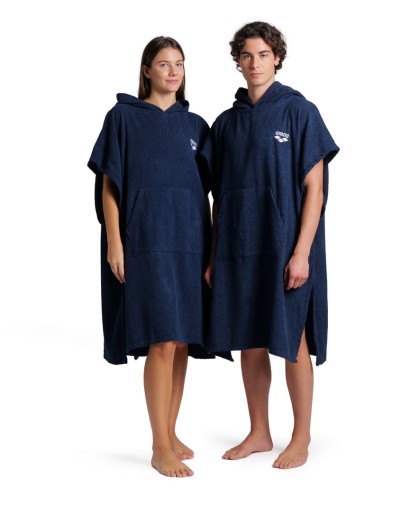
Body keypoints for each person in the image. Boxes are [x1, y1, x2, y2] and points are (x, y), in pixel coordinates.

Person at [87, 36, 231, 478]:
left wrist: (213, 253)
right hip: (146, 242)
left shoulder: (197, 127)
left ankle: (170, 431)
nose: (173, 71)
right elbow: (109, 185)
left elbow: (212, 194)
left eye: (179, 64)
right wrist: (115, 242)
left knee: (182, 341)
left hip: (191, 242)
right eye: (164, 64)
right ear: (147, 70)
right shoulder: (123, 117)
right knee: (162, 340)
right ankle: (159, 445)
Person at [203, 21, 339, 469]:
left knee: (293, 335)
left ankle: (300, 435)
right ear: (237, 62)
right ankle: (259, 431)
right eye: (247, 55)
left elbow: (315, 189)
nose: (255, 63)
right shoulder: (226, 124)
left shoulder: (300, 112)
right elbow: (218, 195)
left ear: (277, 58)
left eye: (263, 54)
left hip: (286, 247)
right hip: (239, 246)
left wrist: (301, 252)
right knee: (250, 337)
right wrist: (213, 256)